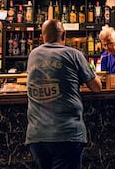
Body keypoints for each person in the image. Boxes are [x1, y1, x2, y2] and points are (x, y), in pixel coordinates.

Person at [25, 19, 102, 169]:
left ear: (42, 37)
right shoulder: (74, 54)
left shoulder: (33, 55)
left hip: (37, 135)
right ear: (64, 35)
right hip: (66, 134)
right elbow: (96, 87)